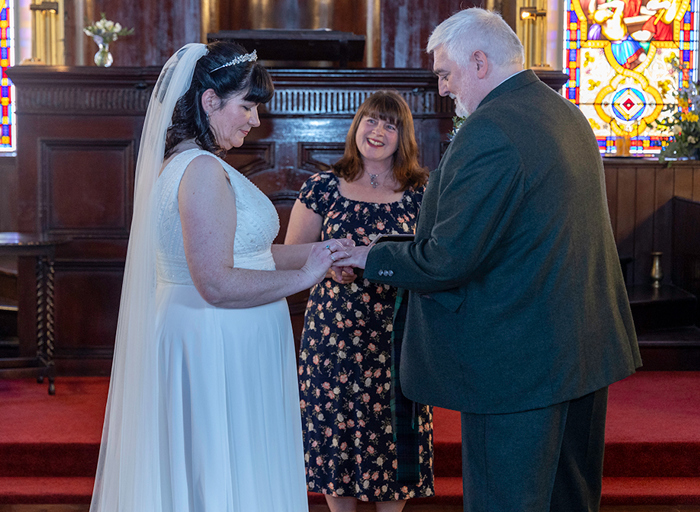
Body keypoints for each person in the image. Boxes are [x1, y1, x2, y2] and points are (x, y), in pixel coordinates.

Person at [335, 8, 641, 512]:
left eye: (446, 73)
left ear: (479, 61)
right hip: (580, 349)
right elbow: (516, 234)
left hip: (518, 362)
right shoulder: (564, 113)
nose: (443, 89)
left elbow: (448, 259)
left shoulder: (490, 130)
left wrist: (371, 256)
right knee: (570, 500)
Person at [89, 42, 351, 512]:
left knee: (215, 471)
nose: (254, 120)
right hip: (215, 341)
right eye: (247, 107)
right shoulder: (204, 171)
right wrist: (308, 277)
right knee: (220, 476)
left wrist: (320, 253)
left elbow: (249, 254)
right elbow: (216, 282)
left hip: (213, 336)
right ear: (210, 102)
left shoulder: (188, 164)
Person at [285, 91, 433, 512]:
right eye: (371, 121)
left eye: (390, 125)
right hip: (333, 334)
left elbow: (431, 258)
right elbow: (293, 252)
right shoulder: (323, 186)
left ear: (403, 135)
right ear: (357, 126)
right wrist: (329, 266)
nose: (378, 131)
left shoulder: (421, 192)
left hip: (396, 330)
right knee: (336, 428)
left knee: (391, 432)